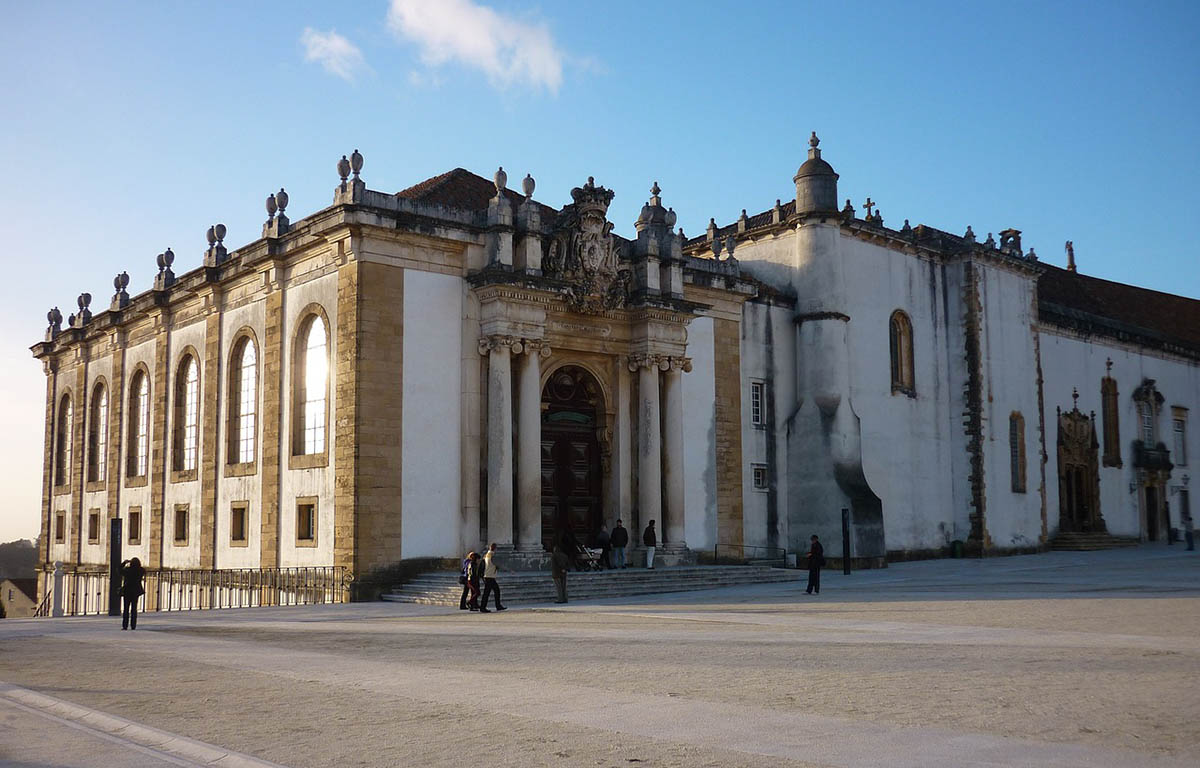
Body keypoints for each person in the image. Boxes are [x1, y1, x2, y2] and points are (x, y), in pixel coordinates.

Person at [120, 557, 146, 630]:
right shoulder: (141, 570)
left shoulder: (127, 570)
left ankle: (125, 626)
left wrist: (124, 563)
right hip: (136, 591)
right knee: (134, 609)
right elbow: (143, 570)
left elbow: (119, 570)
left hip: (127, 591)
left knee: (126, 609)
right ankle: (133, 625)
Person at [479, 542, 506, 612]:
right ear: (495, 548)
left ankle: (497, 605)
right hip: (490, 576)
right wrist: (508, 570)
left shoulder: (486, 555)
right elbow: (498, 564)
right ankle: (484, 607)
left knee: (493, 591)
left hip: (487, 575)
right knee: (489, 592)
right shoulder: (492, 555)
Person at [551, 530, 571, 603]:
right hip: (564, 573)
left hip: (557, 573)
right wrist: (565, 569)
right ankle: (565, 598)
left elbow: (556, 564)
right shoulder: (565, 555)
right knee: (564, 586)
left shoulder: (554, 556)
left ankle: (560, 599)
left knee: (559, 587)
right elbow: (568, 564)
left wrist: (562, 568)